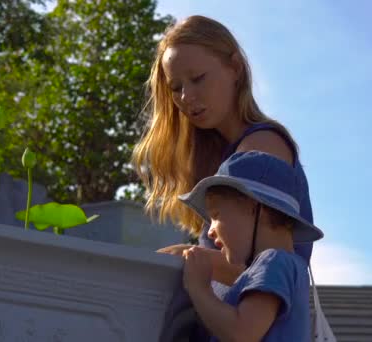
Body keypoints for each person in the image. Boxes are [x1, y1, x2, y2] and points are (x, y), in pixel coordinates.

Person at [132, 14, 315, 280]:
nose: (186, 97)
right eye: (176, 87)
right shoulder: (225, 156)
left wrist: (184, 256)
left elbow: (268, 269)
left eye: (198, 78)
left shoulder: (262, 147)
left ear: (236, 69)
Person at [179, 151, 324, 341]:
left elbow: (242, 332)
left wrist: (199, 287)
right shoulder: (286, 265)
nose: (210, 231)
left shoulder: (274, 261)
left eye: (216, 216)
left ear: (254, 208)